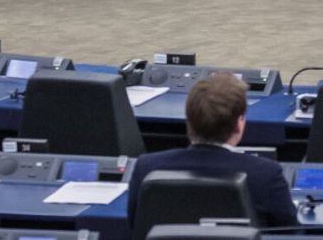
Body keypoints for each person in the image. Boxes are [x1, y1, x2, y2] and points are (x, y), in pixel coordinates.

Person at [126, 72, 298, 228]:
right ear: (239, 124)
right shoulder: (266, 175)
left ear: (189, 121)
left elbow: (136, 226)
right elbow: (290, 233)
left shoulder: (146, 168)